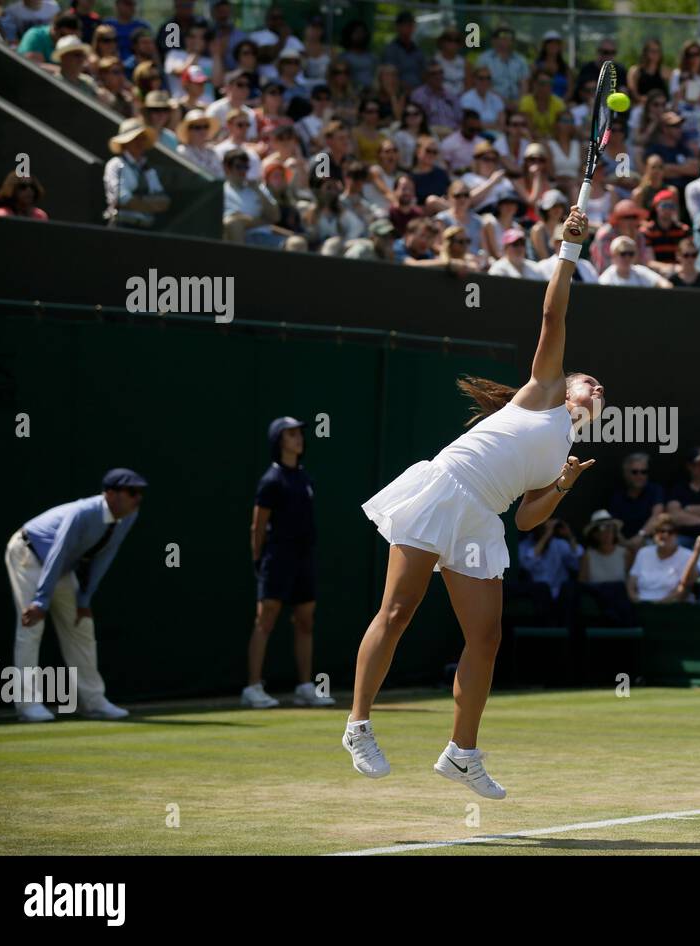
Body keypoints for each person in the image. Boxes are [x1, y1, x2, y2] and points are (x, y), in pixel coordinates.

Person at [343, 207, 600, 796]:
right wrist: (568, 250)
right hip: (445, 489)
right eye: (590, 380)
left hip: (483, 517)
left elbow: (527, 518)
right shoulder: (543, 394)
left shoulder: (563, 450)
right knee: (398, 610)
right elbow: (552, 312)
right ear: (566, 385)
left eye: (600, 390)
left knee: (486, 637)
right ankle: (358, 724)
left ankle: (462, 752)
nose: (596, 388)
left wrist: (563, 484)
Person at [5, 468, 145, 722]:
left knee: (82, 626)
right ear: (110, 494)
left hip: (59, 567)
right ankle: (28, 704)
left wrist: (84, 599)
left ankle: (93, 701)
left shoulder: (129, 517)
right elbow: (59, 551)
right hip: (28, 553)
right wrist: (40, 601)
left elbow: (105, 556)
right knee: (31, 626)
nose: (138, 498)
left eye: (140, 493)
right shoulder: (82, 513)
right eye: (132, 492)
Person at [239, 418, 333, 709]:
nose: (299, 439)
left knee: (305, 620)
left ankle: (305, 686)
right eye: (292, 434)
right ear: (279, 441)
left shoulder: (305, 477)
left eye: (300, 434)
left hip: (304, 557)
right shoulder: (271, 480)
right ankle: (252, 687)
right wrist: (259, 559)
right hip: (277, 557)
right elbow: (257, 525)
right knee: (265, 620)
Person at [102, 116, 167, 228]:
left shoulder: (148, 169)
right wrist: (151, 204)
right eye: (135, 138)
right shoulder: (115, 164)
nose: (140, 142)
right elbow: (123, 199)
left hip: (146, 228)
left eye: (142, 138)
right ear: (125, 142)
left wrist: (140, 203)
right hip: (121, 227)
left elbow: (164, 201)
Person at [627, 513, 691, 603]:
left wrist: (660, 604)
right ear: (654, 534)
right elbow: (631, 583)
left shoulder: (687, 556)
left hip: (670, 608)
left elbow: (683, 588)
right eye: (660, 531)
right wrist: (635, 599)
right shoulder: (643, 553)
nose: (665, 535)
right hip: (641, 606)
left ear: (676, 534)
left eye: (670, 532)